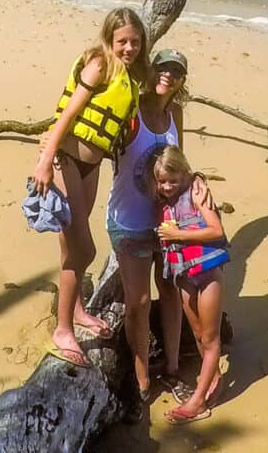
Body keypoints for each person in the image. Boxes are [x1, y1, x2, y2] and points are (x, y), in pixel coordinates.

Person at [30, 7, 148, 368]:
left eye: (135, 42)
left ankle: (77, 309)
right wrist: (45, 161)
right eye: (122, 41)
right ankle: (63, 330)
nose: (128, 48)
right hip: (66, 161)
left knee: (71, 247)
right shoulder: (99, 63)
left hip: (91, 167)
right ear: (109, 39)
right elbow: (67, 115)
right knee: (84, 250)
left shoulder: (128, 79)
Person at [105, 48, 191, 402]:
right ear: (151, 69)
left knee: (170, 293)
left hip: (166, 225)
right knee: (138, 301)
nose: (167, 75)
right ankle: (141, 380)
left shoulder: (176, 114)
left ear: (182, 80)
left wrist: (196, 192)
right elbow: (96, 139)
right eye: (162, 67)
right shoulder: (131, 108)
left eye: (176, 71)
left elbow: (181, 168)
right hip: (129, 222)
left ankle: (171, 370)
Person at [155, 145, 228, 424]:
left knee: (210, 338)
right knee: (197, 333)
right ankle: (215, 379)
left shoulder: (197, 194)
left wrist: (177, 233)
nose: (168, 186)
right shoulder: (162, 203)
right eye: (162, 182)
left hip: (207, 273)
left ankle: (197, 402)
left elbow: (216, 230)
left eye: (173, 180)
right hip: (184, 274)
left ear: (185, 174)